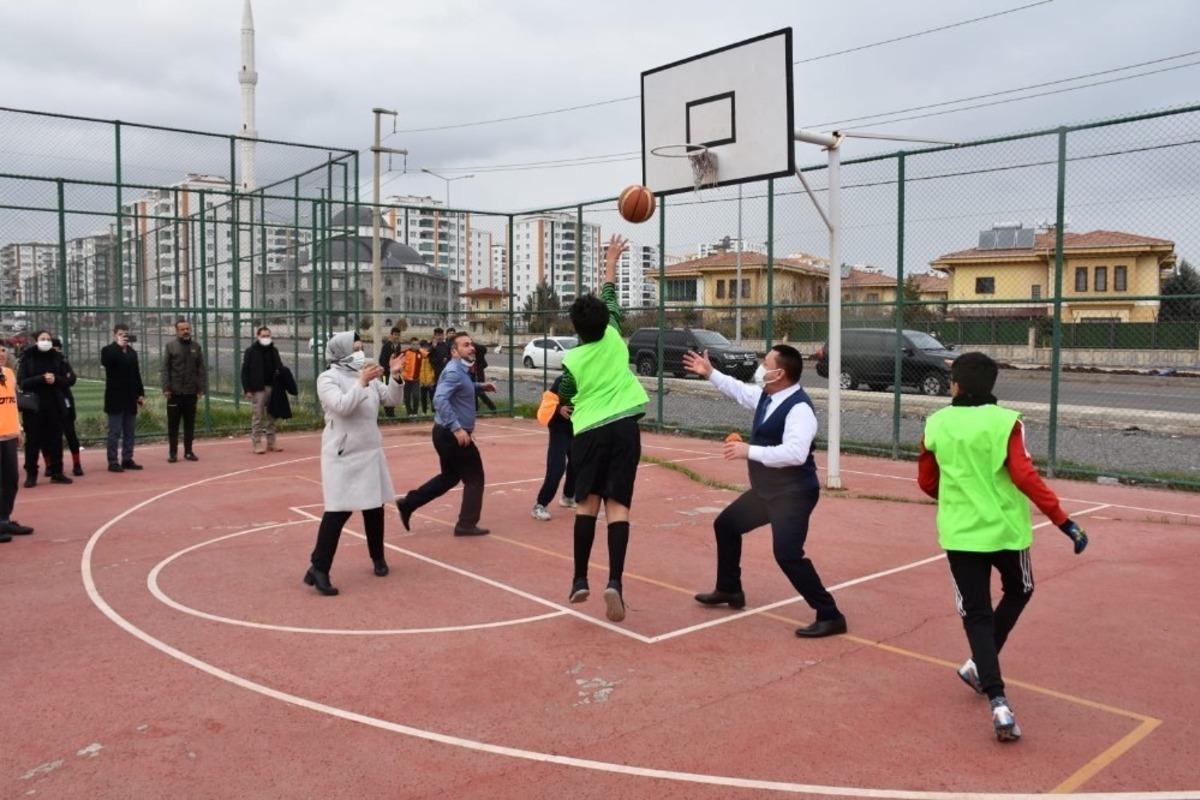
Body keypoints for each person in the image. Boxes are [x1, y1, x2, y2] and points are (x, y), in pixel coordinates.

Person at [917, 352, 1088, 742]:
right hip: (1006, 532)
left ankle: (997, 699)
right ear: (991, 386)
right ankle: (986, 677)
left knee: (975, 614)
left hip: (961, 534)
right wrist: (1064, 521)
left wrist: (959, 498)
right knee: (1020, 589)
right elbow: (1025, 476)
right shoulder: (1006, 422)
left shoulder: (937, 424)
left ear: (956, 385)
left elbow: (927, 483)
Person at [683, 344, 847, 638]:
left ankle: (830, 614)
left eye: (766, 362)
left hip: (794, 495)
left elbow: (795, 454)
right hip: (767, 491)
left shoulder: (799, 409)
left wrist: (749, 451)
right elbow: (738, 391)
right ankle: (730, 589)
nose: (761, 366)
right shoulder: (767, 396)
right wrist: (710, 373)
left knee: (787, 555)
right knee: (726, 525)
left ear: (779, 373)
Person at [557, 235, 649, 623]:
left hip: (590, 432)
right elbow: (609, 295)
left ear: (576, 328)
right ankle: (615, 582)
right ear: (604, 320)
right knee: (618, 508)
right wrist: (611, 260)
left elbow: (565, 395)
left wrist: (567, 405)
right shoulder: (613, 332)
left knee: (586, 506)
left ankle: (580, 579)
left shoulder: (573, 359)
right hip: (625, 427)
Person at [305, 332, 406, 595]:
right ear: (341, 353)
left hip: (370, 450)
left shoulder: (369, 376)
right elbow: (342, 407)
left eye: (362, 348)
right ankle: (320, 569)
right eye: (356, 348)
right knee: (338, 511)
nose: (361, 353)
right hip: (343, 454)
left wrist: (395, 376)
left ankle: (378, 558)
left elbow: (392, 400)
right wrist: (361, 381)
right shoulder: (328, 378)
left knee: (375, 507)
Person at [395, 332, 497, 537]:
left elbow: (460, 389)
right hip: (452, 435)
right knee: (475, 477)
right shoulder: (454, 371)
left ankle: (408, 503)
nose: (471, 348)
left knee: (449, 477)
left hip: (444, 434)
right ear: (454, 351)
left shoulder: (460, 370)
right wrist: (457, 428)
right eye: (466, 345)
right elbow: (439, 400)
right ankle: (466, 524)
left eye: (471, 344)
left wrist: (479, 386)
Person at [17, 331, 72, 487]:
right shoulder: (27, 357)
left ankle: (57, 472)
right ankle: (31, 474)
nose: (46, 341)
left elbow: (67, 380)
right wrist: (41, 379)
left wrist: (55, 379)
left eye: (48, 339)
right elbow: (22, 382)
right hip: (34, 406)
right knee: (33, 441)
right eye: (43, 339)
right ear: (36, 341)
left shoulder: (57, 357)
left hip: (54, 404)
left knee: (56, 440)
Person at [100, 323, 146, 472]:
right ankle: (113, 461)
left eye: (126, 334)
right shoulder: (108, 350)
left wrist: (140, 394)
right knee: (114, 431)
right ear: (115, 335)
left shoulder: (132, 352)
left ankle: (127, 458)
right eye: (121, 334)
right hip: (115, 397)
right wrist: (118, 347)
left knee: (129, 431)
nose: (124, 336)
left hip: (130, 397)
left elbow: (136, 374)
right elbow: (107, 362)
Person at [0, 342, 34, 542]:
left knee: (10, 480)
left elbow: (12, 404)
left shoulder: (9, 374)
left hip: (10, 435)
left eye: (3, 350)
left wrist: (19, 428)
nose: (1, 354)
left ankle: (4, 519)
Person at [530, 374, 575, 521]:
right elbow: (548, 402)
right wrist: (559, 408)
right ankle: (540, 505)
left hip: (576, 428)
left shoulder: (591, 380)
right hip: (558, 427)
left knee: (577, 463)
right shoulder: (563, 380)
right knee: (557, 467)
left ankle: (568, 497)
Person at [161, 319, 206, 463]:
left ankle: (188, 451)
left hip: (191, 393)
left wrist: (201, 388)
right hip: (174, 393)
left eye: (187, 328)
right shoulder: (171, 346)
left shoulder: (196, 347)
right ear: (177, 331)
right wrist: (166, 388)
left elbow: (201, 369)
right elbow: (165, 369)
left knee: (189, 424)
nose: (186, 331)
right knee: (173, 425)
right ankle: (173, 453)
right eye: (182, 329)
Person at [241, 326, 283, 454]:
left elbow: (280, 367)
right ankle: (257, 443)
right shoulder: (251, 351)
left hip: (273, 387)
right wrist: (247, 389)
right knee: (257, 417)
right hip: (257, 388)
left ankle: (271, 442)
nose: (266, 338)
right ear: (258, 336)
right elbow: (245, 371)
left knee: (272, 416)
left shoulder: (274, 351)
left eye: (268, 336)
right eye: (263, 336)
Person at [50, 338, 84, 477]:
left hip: (65, 402)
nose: (56, 351)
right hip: (49, 403)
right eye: (54, 348)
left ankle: (77, 464)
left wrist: (57, 379)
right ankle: (50, 466)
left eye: (58, 348)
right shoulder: (42, 362)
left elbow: (71, 379)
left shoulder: (63, 362)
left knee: (71, 435)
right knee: (49, 437)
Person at [378, 326, 403, 418]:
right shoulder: (386, 346)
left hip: (394, 374)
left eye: (398, 335)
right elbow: (381, 360)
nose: (396, 337)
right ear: (391, 335)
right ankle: (388, 413)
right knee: (386, 391)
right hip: (386, 374)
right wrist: (388, 369)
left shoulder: (398, 346)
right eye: (395, 335)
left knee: (394, 391)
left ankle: (391, 413)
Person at [399, 337, 423, 416]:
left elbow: (428, 354)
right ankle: (409, 412)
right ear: (410, 345)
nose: (415, 346)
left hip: (416, 379)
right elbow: (399, 361)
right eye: (413, 344)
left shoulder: (420, 353)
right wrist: (402, 373)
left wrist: (421, 349)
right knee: (407, 397)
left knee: (416, 396)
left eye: (417, 344)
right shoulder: (406, 352)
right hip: (406, 379)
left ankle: (415, 412)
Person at [473, 342, 496, 412]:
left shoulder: (477, 351)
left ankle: (492, 408)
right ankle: (476, 410)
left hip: (478, 374)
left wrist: (474, 345)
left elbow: (484, 349)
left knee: (478, 392)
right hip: (474, 374)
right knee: (475, 393)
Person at [417, 340, 436, 413]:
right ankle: (424, 412)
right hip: (422, 382)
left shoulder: (431, 357)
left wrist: (431, 379)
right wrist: (420, 380)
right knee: (423, 398)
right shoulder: (419, 357)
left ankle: (434, 411)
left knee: (432, 397)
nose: (425, 349)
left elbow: (433, 369)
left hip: (430, 381)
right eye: (423, 347)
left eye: (426, 347)